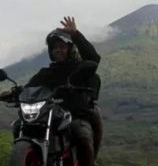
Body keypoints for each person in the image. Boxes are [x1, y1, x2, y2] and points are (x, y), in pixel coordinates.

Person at [24, 16, 103, 166]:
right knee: (20, 125)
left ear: (70, 49)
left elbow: (93, 59)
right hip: (48, 116)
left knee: (83, 135)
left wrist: (75, 34)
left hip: (74, 116)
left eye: (62, 47)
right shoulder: (46, 73)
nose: (58, 51)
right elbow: (29, 87)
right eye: (55, 48)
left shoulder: (79, 68)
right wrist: (15, 92)